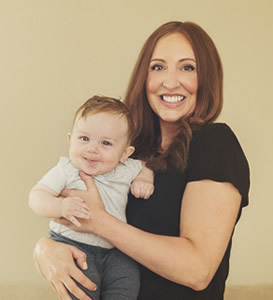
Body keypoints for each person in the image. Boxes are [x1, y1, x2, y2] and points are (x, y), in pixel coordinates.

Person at [33, 21, 250, 300]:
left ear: (207, 77)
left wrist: (99, 223)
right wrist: (45, 249)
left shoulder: (215, 143)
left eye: (187, 67)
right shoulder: (126, 150)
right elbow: (68, 209)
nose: (170, 82)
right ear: (143, 77)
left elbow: (198, 271)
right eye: (158, 67)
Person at [29, 96, 154, 300]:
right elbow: (36, 197)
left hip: (116, 251)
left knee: (128, 279)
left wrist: (145, 179)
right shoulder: (66, 170)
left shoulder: (125, 169)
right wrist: (61, 206)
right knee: (81, 289)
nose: (92, 149)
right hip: (72, 246)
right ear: (70, 140)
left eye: (105, 143)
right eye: (84, 139)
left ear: (125, 153)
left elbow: (145, 166)